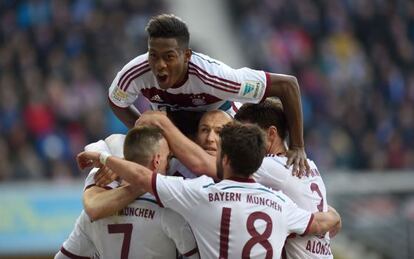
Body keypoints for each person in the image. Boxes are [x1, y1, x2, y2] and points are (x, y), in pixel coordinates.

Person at [77, 123, 341, 258]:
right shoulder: (281, 204)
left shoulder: (200, 193)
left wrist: (104, 159)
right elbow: (319, 222)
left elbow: (145, 177)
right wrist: (334, 215)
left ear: (224, 159)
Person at [108, 13, 309, 174]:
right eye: (153, 56)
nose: (160, 65)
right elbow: (116, 101)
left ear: (186, 56)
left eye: (169, 57)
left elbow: (287, 85)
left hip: (218, 128)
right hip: (174, 127)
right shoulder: (135, 73)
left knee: (216, 136)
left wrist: (298, 146)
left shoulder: (216, 77)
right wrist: (150, 135)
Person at [56, 127, 199, 259]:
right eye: (168, 158)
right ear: (156, 161)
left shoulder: (88, 217)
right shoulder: (169, 209)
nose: (169, 165)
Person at [235, 98, 338, 258]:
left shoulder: (269, 166)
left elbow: (214, 166)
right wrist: (333, 216)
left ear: (271, 134)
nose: (240, 142)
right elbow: (334, 222)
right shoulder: (311, 165)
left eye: (248, 134)